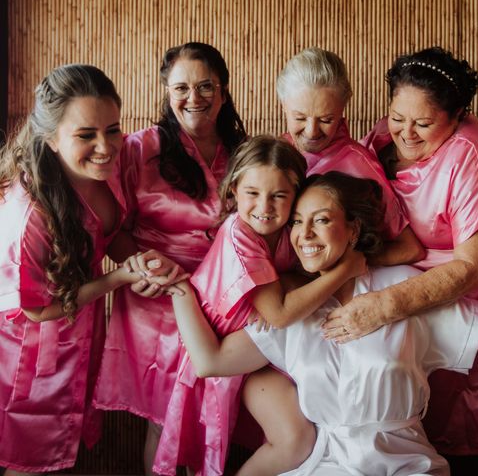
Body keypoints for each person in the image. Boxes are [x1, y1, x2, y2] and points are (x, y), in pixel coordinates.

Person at [163, 171, 478, 476]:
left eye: (321, 220)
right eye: (296, 222)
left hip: (406, 463)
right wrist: (178, 286)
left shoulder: (402, 289)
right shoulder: (291, 308)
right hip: (325, 463)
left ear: (352, 230)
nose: (305, 235)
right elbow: (210, 360)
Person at [320, 46, 478, 469]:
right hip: (404, 313)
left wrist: (385, 305)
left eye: (423, 123)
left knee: (473, 443)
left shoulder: (472, 152)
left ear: (456, 118)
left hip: (467, 304)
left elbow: (473, 266)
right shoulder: (382, 136)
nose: (405, 132)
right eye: (398, 117)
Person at [151, 136, 365, 475]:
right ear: (234, 190)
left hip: (259, 349)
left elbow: (292, 281)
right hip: (219, 344)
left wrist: (296, 285)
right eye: (252, 194)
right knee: (203, 447)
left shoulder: (288, 229)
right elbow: (278, 314)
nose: (265, 207)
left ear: (296, 195)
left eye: (279, 196)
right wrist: (346, 269)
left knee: (296, 438)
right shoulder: (240, 233)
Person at [92, 42, 246, 474]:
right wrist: (139, 267)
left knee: (214, 417)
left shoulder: (243, 150)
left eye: (205, 86)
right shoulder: (139, 149)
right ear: (166, 90)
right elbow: (114, 231)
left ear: (224, 89)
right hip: (156, 295)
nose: (193, 98)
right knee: (166, 422)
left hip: (223, 298)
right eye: (181, 88)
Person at [0, 65, 155, 474]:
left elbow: (110, 234)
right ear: (50, 138)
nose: (105, 146)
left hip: (81, 327)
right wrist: (119, 279)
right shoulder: (29, 214)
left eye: (113, 129)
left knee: (66, 451)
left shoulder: (105, 171)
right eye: (86, 135)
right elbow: (36, 308)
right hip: (32, 350)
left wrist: (144, 261)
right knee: (29, 458)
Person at [276, 47, 424, 266]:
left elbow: (410, 248)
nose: (311, 131)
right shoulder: (273, 155)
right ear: (283, 105)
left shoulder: (359, 166)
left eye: (326, 119)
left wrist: (346, 267)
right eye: (300, 117)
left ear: (342, 108)